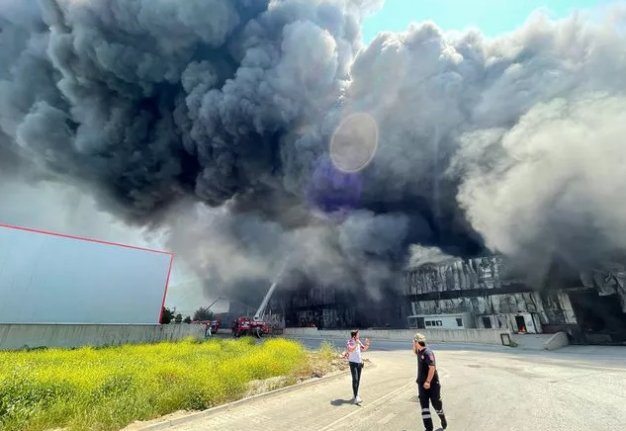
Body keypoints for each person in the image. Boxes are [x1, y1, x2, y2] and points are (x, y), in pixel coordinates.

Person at [413, 333, 447, 431]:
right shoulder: (419, 352)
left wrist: (428, 381)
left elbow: (432, 367)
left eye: (414, 342)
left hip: (432, 384)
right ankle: (429, 428)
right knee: (424, 407)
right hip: (421, 384)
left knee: (436, 404)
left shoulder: (428, 353)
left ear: (417, 342)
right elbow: (414, 350)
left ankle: (442, 418)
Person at [346, 329, 370, 404]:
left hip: (359, 363)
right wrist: (356, 344)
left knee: (358, 380)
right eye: (358, 334)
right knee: (355, 379)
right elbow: (350, 349)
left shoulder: (359, 341)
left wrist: (367, 344)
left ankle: (355, 394)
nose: (359, 336)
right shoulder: (349, 342)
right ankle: (356, 397)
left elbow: (364, 349)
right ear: (354, 335)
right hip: (353, 363)